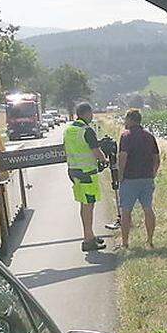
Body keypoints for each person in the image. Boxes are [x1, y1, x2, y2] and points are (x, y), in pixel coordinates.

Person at [63, 102, 109, 251]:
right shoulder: (86, 130)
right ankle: (88, 239)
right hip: (87, 172)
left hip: (73, 170)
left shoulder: (69, 130)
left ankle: (89, 235)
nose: (92, 116)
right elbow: (96, 151)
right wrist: (104, 160)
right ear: (86, 114)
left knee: (84, 204)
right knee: (89, 205)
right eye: (91, 113)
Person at [116, 108, 161, 249]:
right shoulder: (149, 136)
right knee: (148, 208)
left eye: (125, 119)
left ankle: (125, 243)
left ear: (130, 120)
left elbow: (123, 157)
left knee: (126, 211)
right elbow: (157, 158)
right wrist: (153, 172)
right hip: (147, 177)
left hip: (130, 178)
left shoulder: (126, 136)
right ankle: (150, 240)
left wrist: (120, 175)